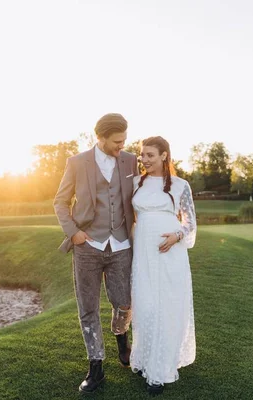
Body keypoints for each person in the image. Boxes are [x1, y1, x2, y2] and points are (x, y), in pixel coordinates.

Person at [53, 113, 139, 393]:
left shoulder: (130, 161)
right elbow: (60, 201)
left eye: (124, 140)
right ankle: (96, 366)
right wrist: (73, 232)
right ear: (100, 138)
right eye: (117, 141)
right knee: (87, 307)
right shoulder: (77, 163)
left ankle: (121, 336)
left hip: (122, 245)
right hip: (88, 246)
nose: (121, 146)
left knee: (124, 302)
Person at [130, 136, 197, 395]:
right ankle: (144, 358)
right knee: (146, 304)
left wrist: (177, 236)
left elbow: (190, 221)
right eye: (142, 155)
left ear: (164, 155)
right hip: (143, 253)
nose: (144, 160)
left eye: (150, 155)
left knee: (166, 306)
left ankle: (158, 371)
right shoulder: (136, 183)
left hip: (171, 252)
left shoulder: (181, 185)